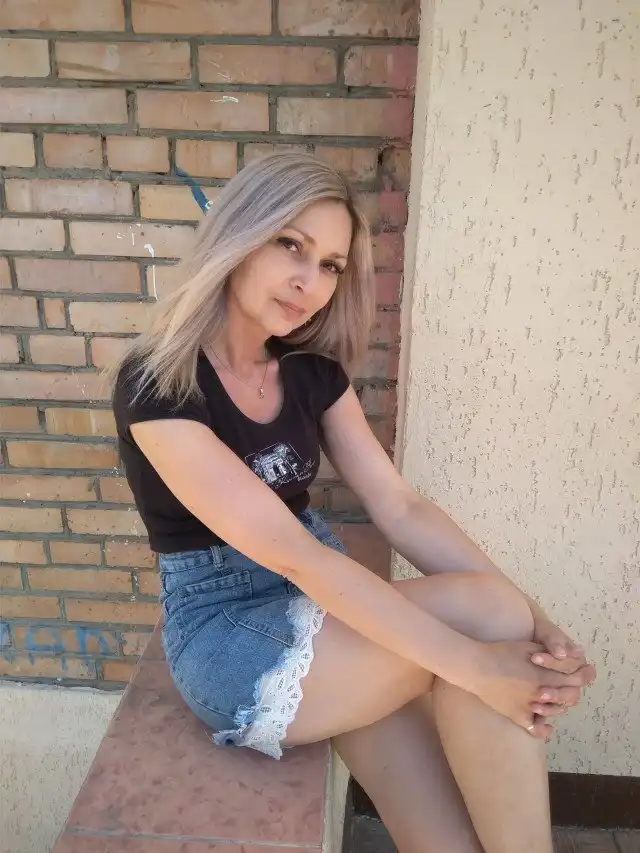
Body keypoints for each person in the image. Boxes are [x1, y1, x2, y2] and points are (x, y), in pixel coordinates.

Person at [109, 153, 596, 853]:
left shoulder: (310, 372)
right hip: (230, 634)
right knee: (490, 617)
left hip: (327, 612)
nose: (309, 282)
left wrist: (541, 624)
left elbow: (400, 507)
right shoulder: (160, 381)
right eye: (291, 246)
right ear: (240, 235)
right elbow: (294, 555)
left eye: (331, 265)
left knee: (446, 839)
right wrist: (477, 664)